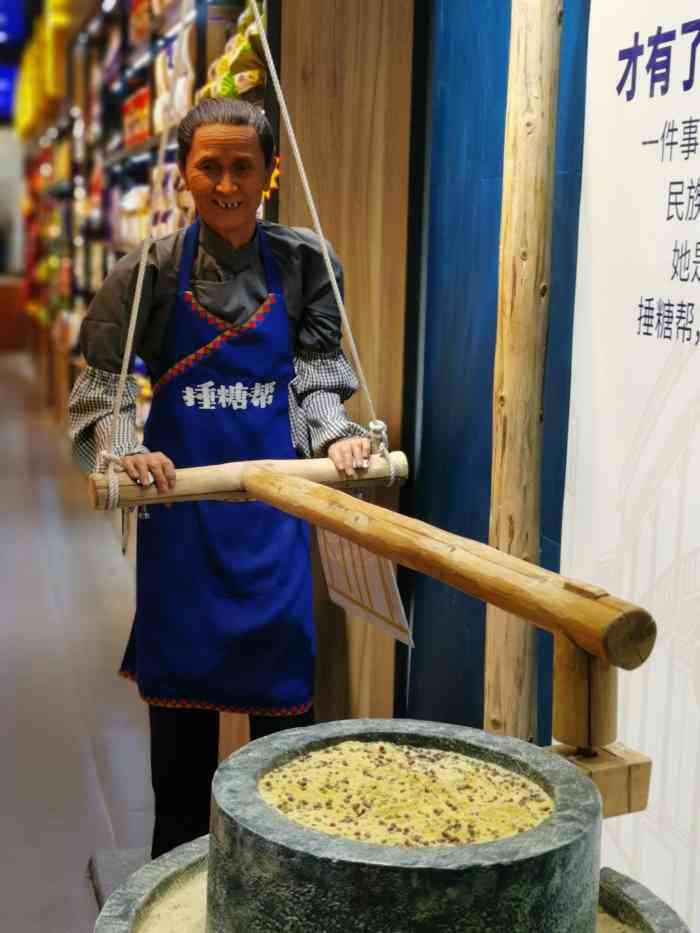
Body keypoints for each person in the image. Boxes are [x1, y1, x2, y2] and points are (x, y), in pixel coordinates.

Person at [68, 97, 370, 858]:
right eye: (211, 165)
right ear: (183, 174)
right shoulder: (148, 274)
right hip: (183, 532)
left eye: (244, 166)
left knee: (284, 749)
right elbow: (102, 388)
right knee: (179, 764)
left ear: (270, 173)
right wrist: (126, 449)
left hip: (272, 530)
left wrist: (336, 438)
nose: (227, 183)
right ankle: (171, 879)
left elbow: (316, 382)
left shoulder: (305, 265)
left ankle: (281, 884)